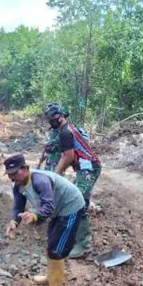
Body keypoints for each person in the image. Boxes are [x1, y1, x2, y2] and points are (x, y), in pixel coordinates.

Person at [4, 154, 88, 286]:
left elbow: (48, 207)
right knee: (51, 244)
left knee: (57, 249)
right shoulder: (18, 185)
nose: (13, 177)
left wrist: (35, 216)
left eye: (15, 173)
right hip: (59, 210)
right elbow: (18, 206)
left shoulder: (40, 181)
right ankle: (51, 277)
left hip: (71, 207)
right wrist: (14, 222)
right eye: (10, 174)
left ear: (25, 168)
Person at [44, 103, 101, 258]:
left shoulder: (65, 132)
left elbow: (67, 157)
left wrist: (55, 175)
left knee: (79, 202)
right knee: (76, 200)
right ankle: (74, 237)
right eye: (49, 118)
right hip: (83, 168)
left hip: (89, 168)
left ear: (61, 116)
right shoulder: (63, 130)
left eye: (53, 117)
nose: (51, 120)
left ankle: (83, 245)